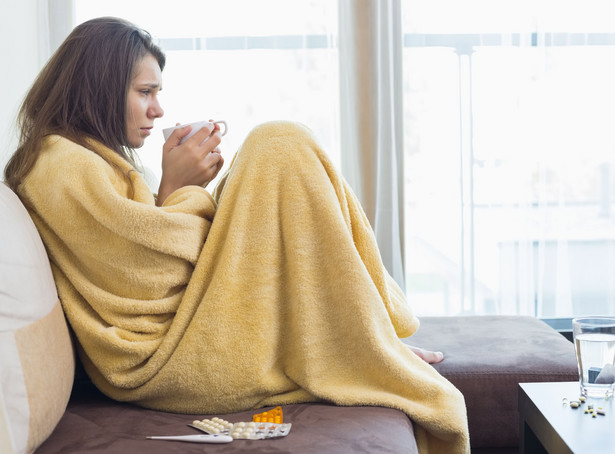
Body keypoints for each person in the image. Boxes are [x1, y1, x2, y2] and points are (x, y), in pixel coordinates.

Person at [4, 17, 469, 453]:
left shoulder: (81, 159)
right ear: (100, 89)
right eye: (145, 92)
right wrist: (179, 187)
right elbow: (153, 276)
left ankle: (369, 333)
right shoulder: (59, 166)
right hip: (167, 360)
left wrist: (187, 190)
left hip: (186, 332)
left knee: (279, 149)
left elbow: (146, 246)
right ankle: (370, 338)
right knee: (278, 144)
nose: (158, 108)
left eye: (158, 93)